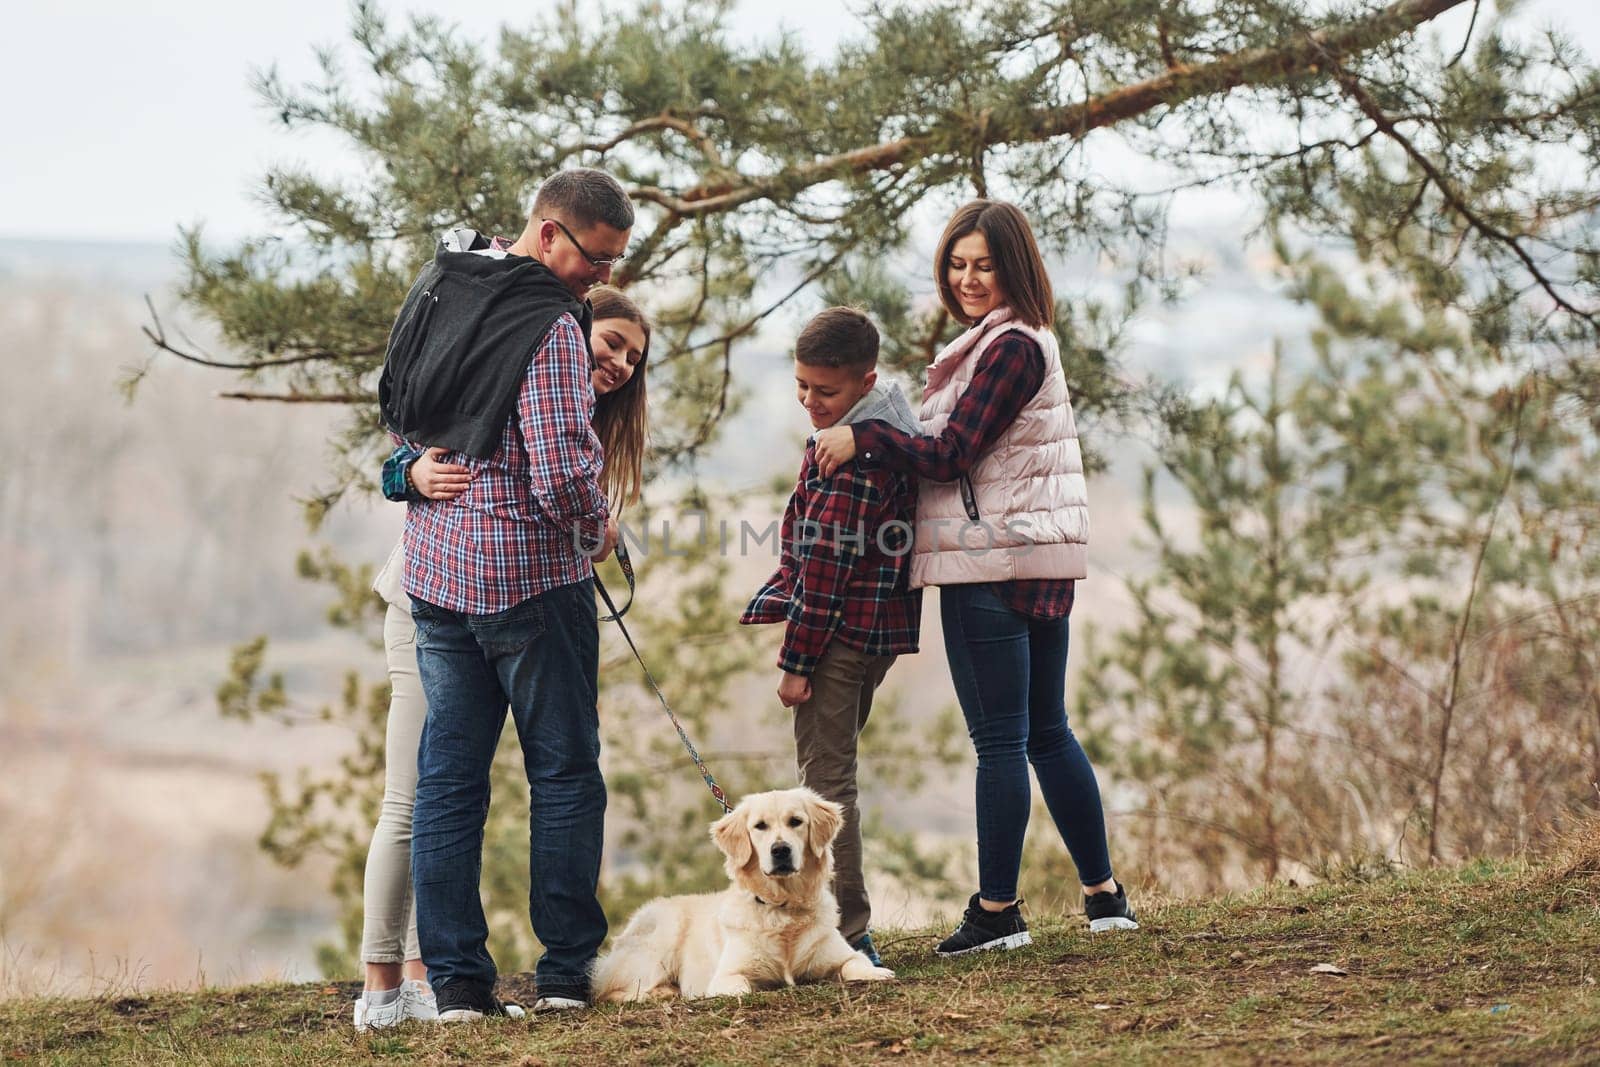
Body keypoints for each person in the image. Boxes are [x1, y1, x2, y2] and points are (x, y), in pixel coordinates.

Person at [812, 200, 1138, 957]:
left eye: (983, 265)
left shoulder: (1011, 348)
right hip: (1034, 552)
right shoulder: (1011, 343)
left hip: (989, 560)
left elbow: (952, 451)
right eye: (957, 265)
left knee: (1002, 740)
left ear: (1013, 266)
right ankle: (1104, 897)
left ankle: (997, 913)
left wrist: (864, 433)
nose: (967, 278)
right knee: (1047, 729)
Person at [352, 282, 650, 1030]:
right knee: (543, 776)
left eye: (632, 359)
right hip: (471, 597)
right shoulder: (542, 351)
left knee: (451, 784)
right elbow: (404, 460)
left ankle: (453, 986)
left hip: (451, 593)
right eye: (611, 342)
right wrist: (595, 531)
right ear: (580, 323)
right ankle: (535, 973)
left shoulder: (509, 359)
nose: (617, 363)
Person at [739, 307, 923, 969]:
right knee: (833, 781)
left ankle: (846, 931)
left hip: (837, 636)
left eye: (826, 391)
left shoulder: (849, 456)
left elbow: (823, 571)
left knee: (823, 792)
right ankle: (844, 927)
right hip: (871, 634)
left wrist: (796, 662)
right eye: (802, 386)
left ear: (865, 379)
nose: (810, 402)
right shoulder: (886, 432)